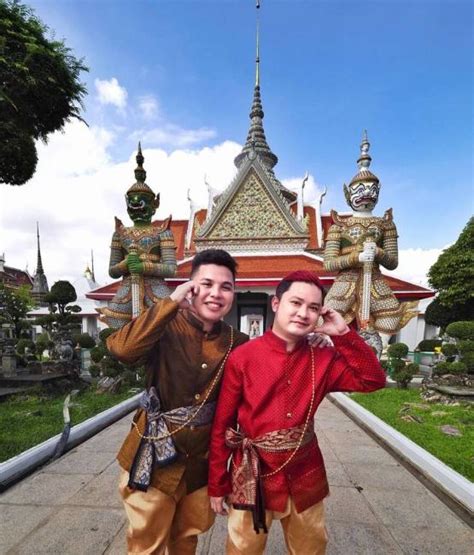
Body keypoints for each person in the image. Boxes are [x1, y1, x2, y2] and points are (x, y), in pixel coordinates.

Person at [208, 270, 386, 555]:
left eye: (313, 308)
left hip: (305, 472)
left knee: (311, 547)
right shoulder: (243, 357)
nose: (304, 313)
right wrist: (217, 483)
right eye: (296, 303)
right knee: (242, 548)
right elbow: (222, 425)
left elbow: (372, 380)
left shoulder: (323, 357)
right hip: (252, 473)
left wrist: (342, 334)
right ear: (276, 304)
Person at [107, 249, 248, 554]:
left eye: (226, 287)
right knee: (146, 543)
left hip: (200, 462)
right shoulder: (164, 326)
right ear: (190, 287)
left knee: (186, 539)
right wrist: (170, 302)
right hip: (153, 458)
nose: (216, 294)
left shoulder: (238, 342)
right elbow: (122, 350)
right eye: (206, 284)